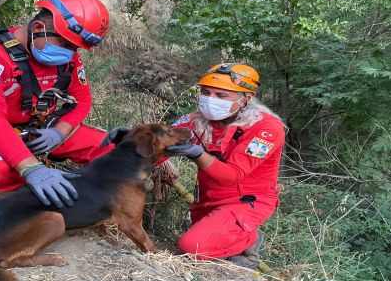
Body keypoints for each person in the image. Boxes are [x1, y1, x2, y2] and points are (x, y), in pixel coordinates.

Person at [0, 0, 112, 208]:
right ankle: (24, 190)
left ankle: (89, 195)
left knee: (117, 147)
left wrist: (59, 131)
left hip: (38, 126)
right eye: (67, 44)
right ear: (39, 28)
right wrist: (31, 168)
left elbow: (82, 100)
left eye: (76, 48)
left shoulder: (66, 56)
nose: (72, 53)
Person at [105, 63, 284, 268]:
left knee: (192, 247)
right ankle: (228, 233)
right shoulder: (195, 121)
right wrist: (130, 140)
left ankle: (249, 240)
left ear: (247, 98)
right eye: (206, 92)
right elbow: (162, 143)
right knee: (199, 238)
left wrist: (197, 153)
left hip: (245, 201)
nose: (210, 100)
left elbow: (231, 176)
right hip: (208, 199)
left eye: (221, 95)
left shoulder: (266, 128)